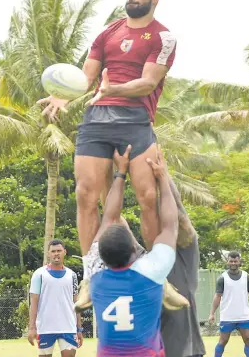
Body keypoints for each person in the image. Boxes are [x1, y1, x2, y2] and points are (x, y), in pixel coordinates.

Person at [38, 0, 184, 309]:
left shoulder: (163, 37)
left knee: (149, 197)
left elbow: (148, 83)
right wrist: (64, 97)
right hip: (97, 121)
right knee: (85, 196)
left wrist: (114, 89)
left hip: (135, 122)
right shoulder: (108, 33)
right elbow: (87, 78)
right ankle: (92, 276)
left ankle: (156, 278)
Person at [87, 144, 179, 356]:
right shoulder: (150, 271)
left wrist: (119, 173)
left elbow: (109, 217)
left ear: (101, 253)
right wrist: (162, 178)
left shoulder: (95, 272)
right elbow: (170, 225)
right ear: (133, 250)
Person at [160, 177, 206, 357]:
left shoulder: (186, 258)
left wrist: (164, 176)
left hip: (190, 351)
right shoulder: (149, 260)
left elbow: (178, 208)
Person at [28, 239, 83, 356]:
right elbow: (34, 303)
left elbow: (76, 302)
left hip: (68, 327)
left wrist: (79, 329)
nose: (56, 253)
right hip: (45, 328)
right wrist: (32, 327)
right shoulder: (39, 274)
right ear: (48, 253)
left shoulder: (72, 275)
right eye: (53, 251)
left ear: (65, 252)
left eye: (59, 250)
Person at [209, 251, 249, 357]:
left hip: (243, 315)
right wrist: (212, 313)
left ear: (239, 262)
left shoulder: (246, 276)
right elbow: (217, 296)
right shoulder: (222, 278)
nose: (233, 263)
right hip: (227, 316)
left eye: (235, 261)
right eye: (231, 261)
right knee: (223, 340)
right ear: (227, 262)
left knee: (248, 339)